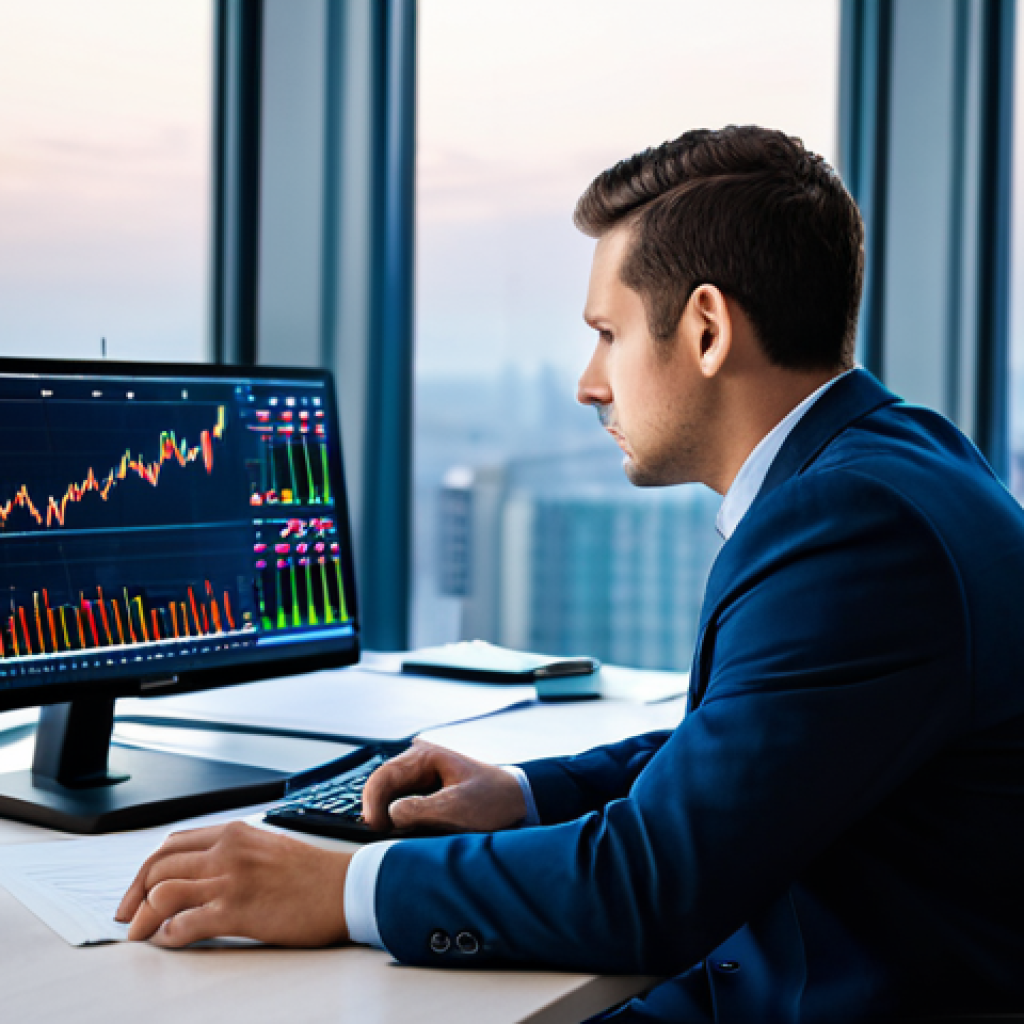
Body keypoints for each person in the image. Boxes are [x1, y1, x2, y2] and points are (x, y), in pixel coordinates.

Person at [116, 126, 1024, 1022]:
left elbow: (652, 886)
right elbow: (741, 749)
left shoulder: (847, 528)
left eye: (606, 333)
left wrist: (344, 886)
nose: (591, 383)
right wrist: (524, 793)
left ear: (707, 329)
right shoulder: (904, 456)